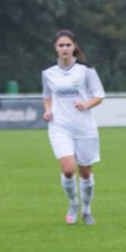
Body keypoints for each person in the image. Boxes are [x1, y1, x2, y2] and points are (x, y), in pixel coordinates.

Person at [42, 30, 105, 225]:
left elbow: (99, 95)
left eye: (68, 45)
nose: (65, 49)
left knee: (85, 172)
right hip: (59, 127)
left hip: (84, 128)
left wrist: (86, 105)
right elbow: (47, 95)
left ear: (74, 46)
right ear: (56, 47)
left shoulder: (86, 70)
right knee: (69, 169)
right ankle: (73, 203)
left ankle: (87, 209)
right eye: (61, 45)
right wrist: (48, 110)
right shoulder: (48, 72)